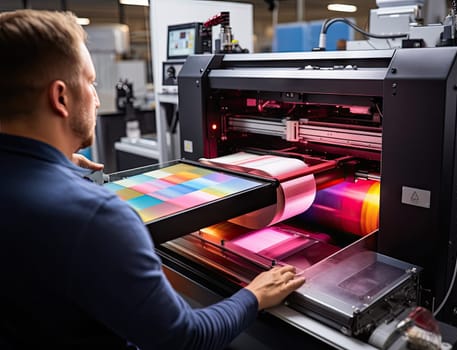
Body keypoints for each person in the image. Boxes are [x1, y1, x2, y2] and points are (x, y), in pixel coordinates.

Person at [0, 9, 305, 349]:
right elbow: (183, 337)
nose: (98, 99)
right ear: (60, 98)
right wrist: (254, 295)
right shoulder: (97, 217)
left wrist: (53, 160)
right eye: (90, 82)